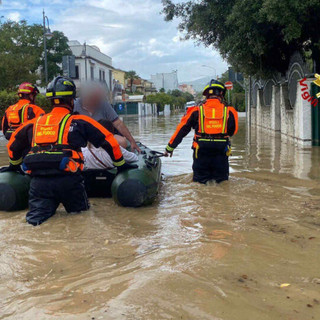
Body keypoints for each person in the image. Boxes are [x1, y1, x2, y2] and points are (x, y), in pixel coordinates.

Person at [5, 76, 137, 226]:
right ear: (72, 100)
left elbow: (12, 146)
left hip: (39, 183)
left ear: (49, 100)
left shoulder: (33, 124)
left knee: (35, 222)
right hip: (69, 181)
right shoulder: (80, 122)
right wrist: (120, 164)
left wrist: (14, 166)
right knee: (81, 219)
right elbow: (110, 142)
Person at [164, 80, 238, 184]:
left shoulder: (195, 110)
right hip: (221, 151)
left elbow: (181, 130)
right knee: (222, 183)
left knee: (200, 183)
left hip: (201, 151)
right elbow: (232, 131)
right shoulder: (230, 111)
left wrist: (170, 148)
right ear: (221, 93)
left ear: (206, 95)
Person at [74, 81, 141, 153]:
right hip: (82, 138)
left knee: (122, 142)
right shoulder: (74, 105)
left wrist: (132, 141)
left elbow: (118, 123)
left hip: (102, 137)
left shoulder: (103, 104)